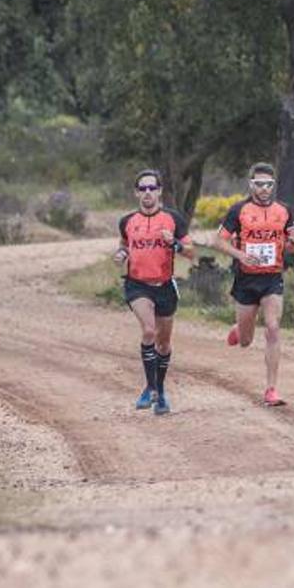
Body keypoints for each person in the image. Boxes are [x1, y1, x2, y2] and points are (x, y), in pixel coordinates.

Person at [214, 162, 294, 406]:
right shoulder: (238, 210)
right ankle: (239, 329)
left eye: (268, 184)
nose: (264, 189)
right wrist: (241, 255)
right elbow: (218, 242)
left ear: (274, 185)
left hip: (272, 278)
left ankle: (271, 389)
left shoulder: (284, 210)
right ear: (251, 184)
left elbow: (292, 247)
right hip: (246, 279)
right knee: (245, 342)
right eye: (259, 184)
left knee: (273, 328)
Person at [114, 169, 194, 415]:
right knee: (149, 330)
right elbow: (125, 244)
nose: (147, 193)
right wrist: (121, 254)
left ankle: (159, 390)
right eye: (143, 188)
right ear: (136, 193)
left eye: (152, 188)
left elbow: (191, 252)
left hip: (165, 285)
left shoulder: (173, 219)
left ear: (159, 191)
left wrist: (175, 244)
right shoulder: (127, 221)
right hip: (137, 284)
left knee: (164, 343)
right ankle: (150, 389)